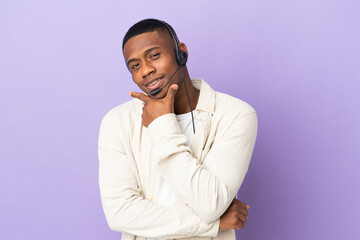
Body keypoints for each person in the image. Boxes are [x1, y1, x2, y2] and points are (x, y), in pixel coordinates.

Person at [98, 19, 257, 240]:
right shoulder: (117, 122)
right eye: (135, 66)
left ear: (181, 53)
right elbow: (119, 213)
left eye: (154, 56)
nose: (146, 70)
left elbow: (211, 203)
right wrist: (212, 225)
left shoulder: (235, 114)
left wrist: (162, 124)